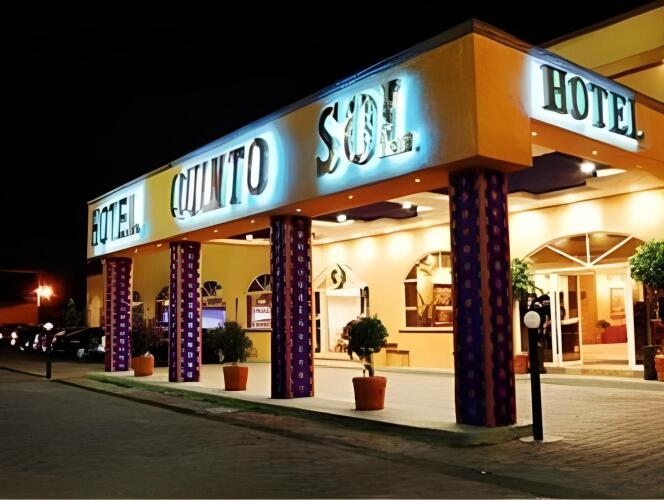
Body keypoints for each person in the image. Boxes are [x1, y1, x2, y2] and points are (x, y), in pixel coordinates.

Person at [528, 294, 550, 374]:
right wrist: (545, 324)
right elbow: (548, 313)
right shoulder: (546, 300)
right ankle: (540, 367)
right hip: (538, 327)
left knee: (534, 346)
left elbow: (529, 313)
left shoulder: (534, 302)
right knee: (539, 346)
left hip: (532, 326)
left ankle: (533, 367)